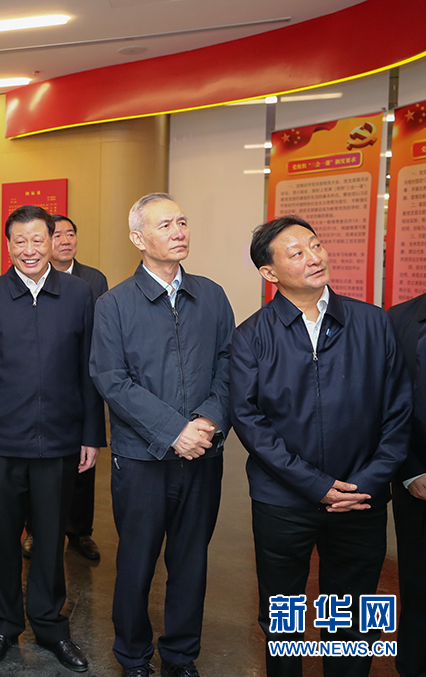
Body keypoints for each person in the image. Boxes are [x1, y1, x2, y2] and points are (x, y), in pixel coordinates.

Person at [230, 215, 411, 677]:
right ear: (269, 273)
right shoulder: (251, 336)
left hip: (360, 498)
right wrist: (315, 485)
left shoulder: (373, 323)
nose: (314, 257)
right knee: (283, 616)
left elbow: (398, 412)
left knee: (354, 616)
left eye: (315, 245)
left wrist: (365, 483)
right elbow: (250, 422)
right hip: (283, 502)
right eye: (297, 253)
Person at [90, 193, 233, 677]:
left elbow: (230, 365)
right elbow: (111, 379)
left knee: (191, 561)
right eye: (165, 224)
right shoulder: (114, 304)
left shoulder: (211, 295)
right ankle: (133, 655)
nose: (179, 232)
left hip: (203, 454)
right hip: (142, 459)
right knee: (137, 561)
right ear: (138, 238)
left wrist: (208, 422)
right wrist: (175, 431)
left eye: (183, 222)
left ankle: (180, 654)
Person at [0, 205, 105, 672]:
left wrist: (91, 434)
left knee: (50, 540)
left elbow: (90, 369)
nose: (29, 249)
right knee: (3, 539)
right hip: (2, 441)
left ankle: (50, 625)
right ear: (8, 245)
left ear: (53, 241)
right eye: (19, 241)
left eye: (37, 239)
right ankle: (4, 626)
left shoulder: (80, 294)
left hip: (60, 441)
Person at [50, 213, 109, 561]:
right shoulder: (36, 276)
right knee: (40, 464)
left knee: (84, 460)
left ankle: (80, 531)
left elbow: (103, 330)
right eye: (57, 235)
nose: (65, 240)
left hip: (84, 379)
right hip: (48, 380)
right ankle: (36, 530)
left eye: (70, 234)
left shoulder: (93, 279)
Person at [386, 294, 426, 677]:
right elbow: (385, 399)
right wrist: (410, 471)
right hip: (418, 482)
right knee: (417, 584)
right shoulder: (398, 319)